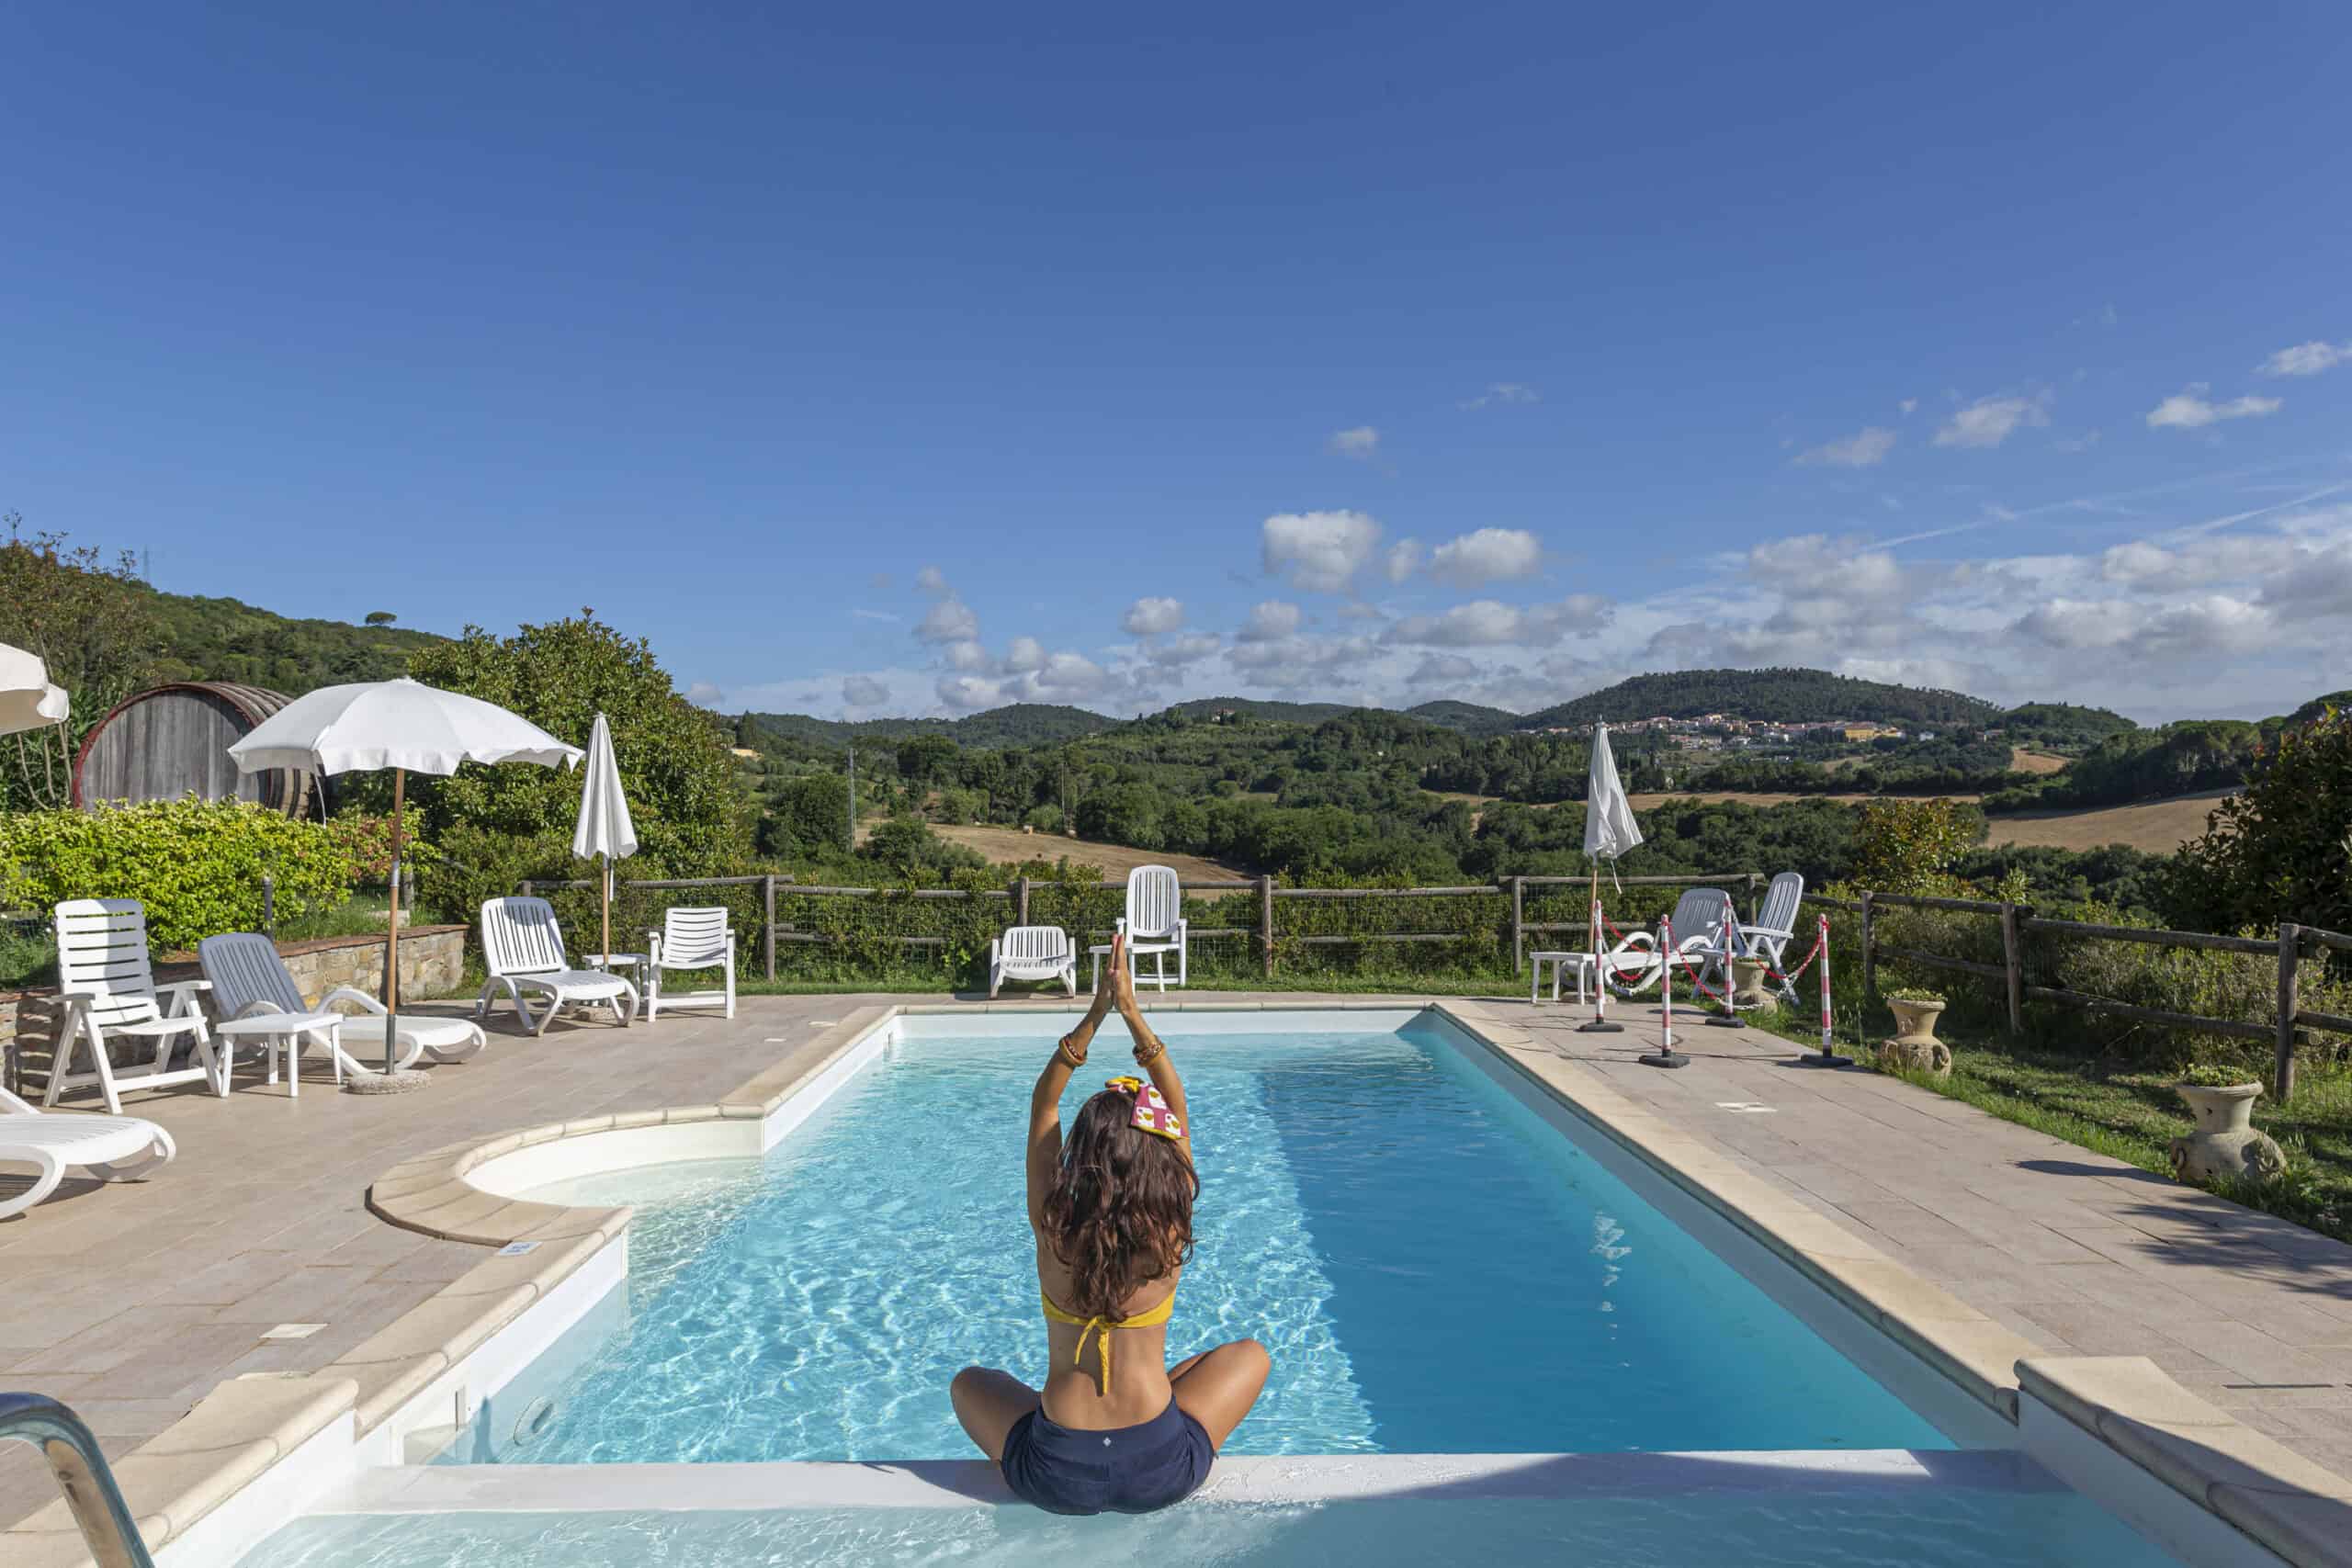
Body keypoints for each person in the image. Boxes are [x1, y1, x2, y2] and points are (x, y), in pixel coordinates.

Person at [950, 932, 1271, 1515]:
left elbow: (1043, 1105)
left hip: (1055, 1474)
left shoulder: (1053, 1231)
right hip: (1161, 1468)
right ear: (1160, 1164)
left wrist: (1093, 1016)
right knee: (1247, 1355)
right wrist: (1132, 1014)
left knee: (969, 1383)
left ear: (1082, 1156)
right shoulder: (1168, 1235)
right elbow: (1177, 1107)